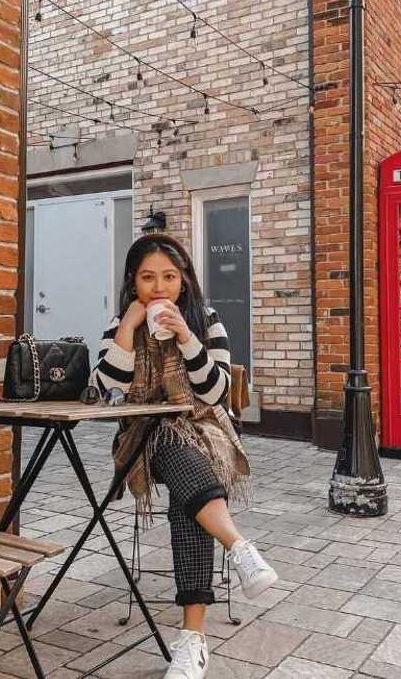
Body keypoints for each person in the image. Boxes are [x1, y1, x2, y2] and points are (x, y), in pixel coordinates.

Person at [93, 233, 278, 679]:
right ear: (132, 282)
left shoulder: (206, 321)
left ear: (184, 281)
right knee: (174, 443)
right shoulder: (120, 324)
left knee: (186, 496)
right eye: (148, 278)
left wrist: (186, 336)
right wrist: (126, 329)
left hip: (205, 431)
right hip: (142, 438)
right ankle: (238, 548)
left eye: (169, 277)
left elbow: (216, 394)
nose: (159, 288)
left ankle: (192, 640)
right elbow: (108, 391)